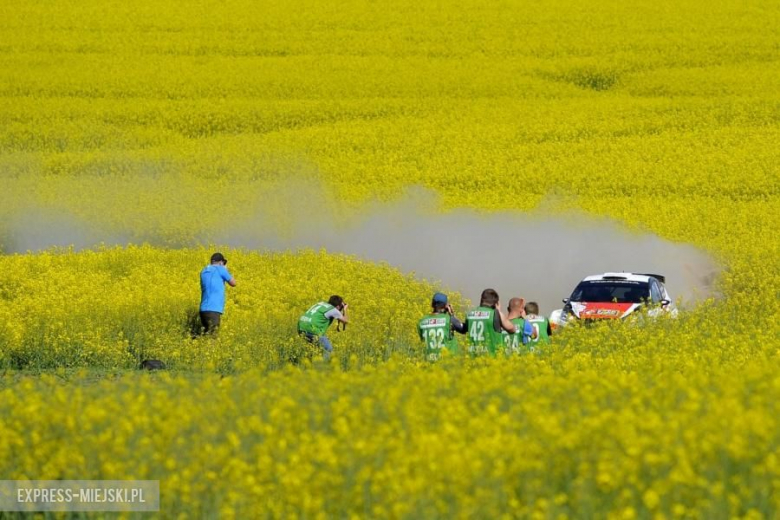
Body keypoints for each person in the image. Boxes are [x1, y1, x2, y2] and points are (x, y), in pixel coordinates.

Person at [465, 289, 518, 357]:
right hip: (491, 358)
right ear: (496, 303)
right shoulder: (495, 314)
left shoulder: (470, 314)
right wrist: (498, 311)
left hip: (472, 359)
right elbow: (512, 329)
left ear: (481, 300)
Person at [417, 292, 467, 361]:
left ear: (432, 304)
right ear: (446, 306)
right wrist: (452, 314)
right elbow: (463, 329)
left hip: (429, 361)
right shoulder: (449, 319)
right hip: (448, 362)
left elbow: (423, 339)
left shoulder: (422, 321)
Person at [297, 295, 349, 361]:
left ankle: (309, 366)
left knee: (314, 350)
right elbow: (345, 321)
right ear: (338, 306)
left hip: (301, 326)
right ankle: (322, 368)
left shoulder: (320, 303)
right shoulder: (334, 310)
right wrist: (345, 309)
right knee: (328, 349)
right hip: (312, 329)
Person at [199, 252, 236, 335]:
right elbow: (233, 283)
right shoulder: (221, 269)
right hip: (214, 309)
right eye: (223, 263)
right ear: (220, 262)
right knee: (213, 338)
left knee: (206, 335)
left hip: (203, 310)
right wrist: (225, 270)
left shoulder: (204, 271)